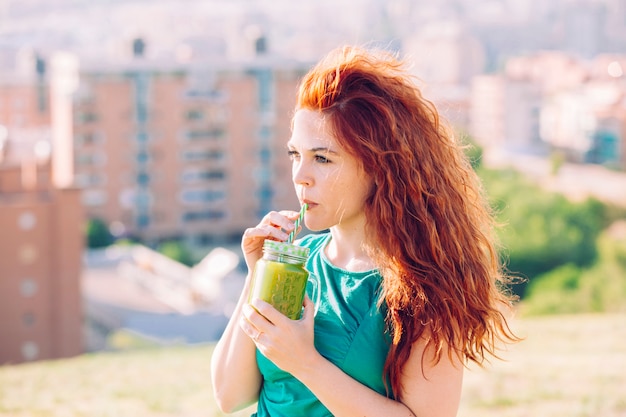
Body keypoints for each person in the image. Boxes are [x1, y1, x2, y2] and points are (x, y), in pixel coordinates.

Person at [210, 45, 519, 417]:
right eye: (296, 154)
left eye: (322, 158)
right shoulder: (295, 264)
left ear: (379, 168)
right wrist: (258, 273)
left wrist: (305, 363)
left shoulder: (424, 285)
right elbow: (229, 396)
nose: (300, 176)